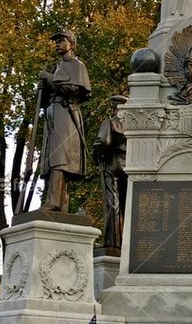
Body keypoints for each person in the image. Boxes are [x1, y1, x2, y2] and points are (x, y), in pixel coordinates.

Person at [38, 28, 91, 213]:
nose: (57, 44)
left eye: (61, 41)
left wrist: (50, 80)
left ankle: (55, 202)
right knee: (52, 157)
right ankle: (58, 202)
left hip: (66, 112)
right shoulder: (57, 67)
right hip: (53, 112)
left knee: (60, 158)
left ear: (71, 44)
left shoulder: (77, 66)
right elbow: (47, 95)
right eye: (56, 41)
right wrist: (43, 88)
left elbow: (74, 90)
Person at [92, 94, 128, 251]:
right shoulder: (133, 125)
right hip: (128, 167)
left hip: (111, 165)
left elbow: (103, 141)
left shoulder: (109, 122)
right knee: (127, 204)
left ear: (114, 107)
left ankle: (113, 241)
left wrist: (96, 155)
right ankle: (126, 241)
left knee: (112, 203)